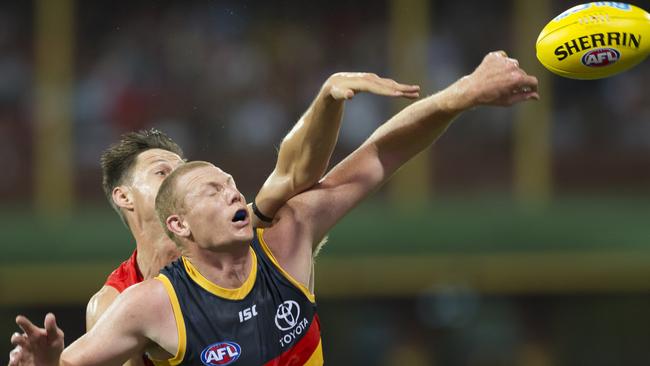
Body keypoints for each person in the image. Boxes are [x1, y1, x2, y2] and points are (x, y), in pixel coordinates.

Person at [9, 51, 538, 366]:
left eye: (229, 184)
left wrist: (464, 92)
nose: (234, 194)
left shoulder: (282, 239)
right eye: (204, 188)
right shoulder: (136, 304)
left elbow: (368, 155)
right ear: (177, 221)